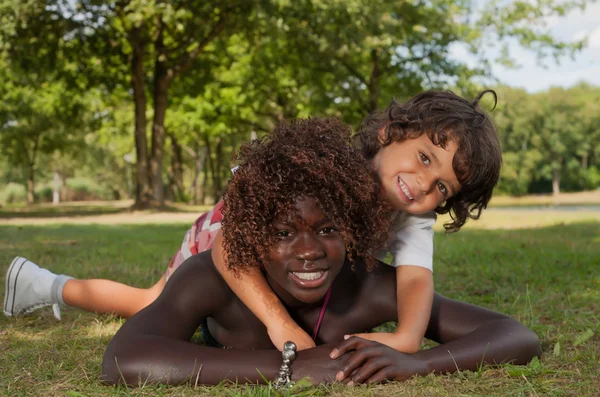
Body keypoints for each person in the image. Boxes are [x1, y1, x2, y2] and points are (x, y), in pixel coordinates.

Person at [4, 90, 502, 356]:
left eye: (442, 188)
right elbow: (230, 252)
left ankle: (45, 284)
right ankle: (44, 285)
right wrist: (279, 322)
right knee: (150, 303)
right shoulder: (324, 164)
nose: (423, 182)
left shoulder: (408, 218)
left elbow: (415, 282)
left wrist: (408, 339)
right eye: (422, 157)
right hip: (232, 227)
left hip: (291, 254)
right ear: (391, 133)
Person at [101, 118, 539, 387]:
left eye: (328, 229)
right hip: (217, 228)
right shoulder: (213, 275)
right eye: (285, 232)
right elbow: (125, 359)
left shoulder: (367, 283)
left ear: (353, 226)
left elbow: (515, 336)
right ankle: (54, 287)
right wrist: (285, 367)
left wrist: (415, 361)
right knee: (145, 301)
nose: (308, 250)